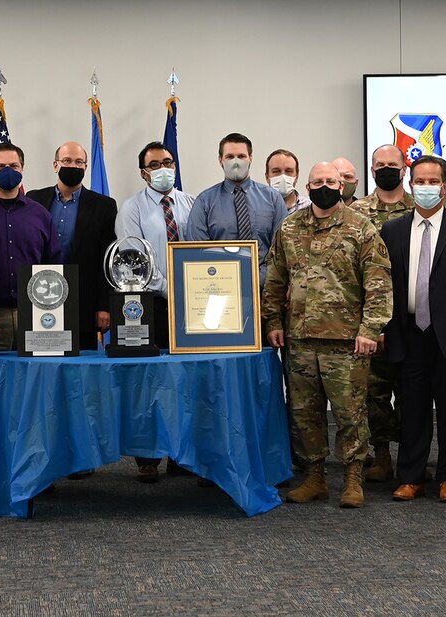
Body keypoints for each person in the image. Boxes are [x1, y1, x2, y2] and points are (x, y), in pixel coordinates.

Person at [265, 161, 392, 509]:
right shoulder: (289, 228)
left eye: (331, 181)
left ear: (341, 186)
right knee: (305, 412)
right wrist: (273, 322)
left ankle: (353, 478)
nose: (324, 186)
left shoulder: (361, 228)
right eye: (317, 181)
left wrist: (370, 329)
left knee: (351, 412)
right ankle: (315, 477)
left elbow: (379, 284)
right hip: (300, 339)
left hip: (346, 341)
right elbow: (275, 279)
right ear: (307, 189)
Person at [380, 156, 446, 503]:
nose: (426, 187)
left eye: (433, 182)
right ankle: (411, 476)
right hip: (409, 333)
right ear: (410, 185)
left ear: (445, 186)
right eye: (420, 181)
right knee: (411, 409)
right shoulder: (392, 230)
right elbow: (383, 285)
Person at [112, 141, 192, 482]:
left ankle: (181, 454)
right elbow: (134, 260)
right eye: (155, 164)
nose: (163, 168)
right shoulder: (131, 208)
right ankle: (148, 457)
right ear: (144, 172)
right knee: (150, 381)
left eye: (168, 161)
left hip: (192, 305)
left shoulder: (192, 203)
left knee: (185, 380)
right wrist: (170, 289)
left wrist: (192, 289)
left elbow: (203, 250)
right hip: (150, 304)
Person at [349, 144, 422, 482]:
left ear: (404, 169)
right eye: (380, 164)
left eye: (393, 164)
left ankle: (412, 455)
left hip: (412, 314)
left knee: (412, 391)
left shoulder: (419, 206)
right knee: (374, 392)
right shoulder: (358, 211)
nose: (386, 169)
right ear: (372, 169)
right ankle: (381, 455)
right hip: (372, 314)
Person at [27, 141, 119, 342]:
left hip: (84, 300)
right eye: (67, 160)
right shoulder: (33, 200)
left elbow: (107, 258)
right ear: (55, 165)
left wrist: (104, 305)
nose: (73, 166)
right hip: (41, 296)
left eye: (79, 162)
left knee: (82, 366)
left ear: (86, 167)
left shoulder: (104, 206)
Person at [0, 142, 58, 351]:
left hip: (35, 313)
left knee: (34, 379)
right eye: (0, 166)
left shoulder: (40, 214)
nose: (7, 171)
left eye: (14, 166)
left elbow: (53, 264)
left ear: (22, 169)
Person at [187, 133, 286, 269]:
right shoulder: (204, 201)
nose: (236, 162)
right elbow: (197, 251)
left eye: (241, 156)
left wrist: (260, 279)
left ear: (250, 158)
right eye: (229, 157)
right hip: (220, 283)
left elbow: (282, 249)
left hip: (266, 285)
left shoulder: (273, 198)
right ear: (220, 160)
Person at [265, 149, 305, 215]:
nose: (283, 177)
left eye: (289, 171)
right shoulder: (256, 208)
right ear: (267, 177)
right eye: (276, 171)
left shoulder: (310, 208)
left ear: (297, 177)